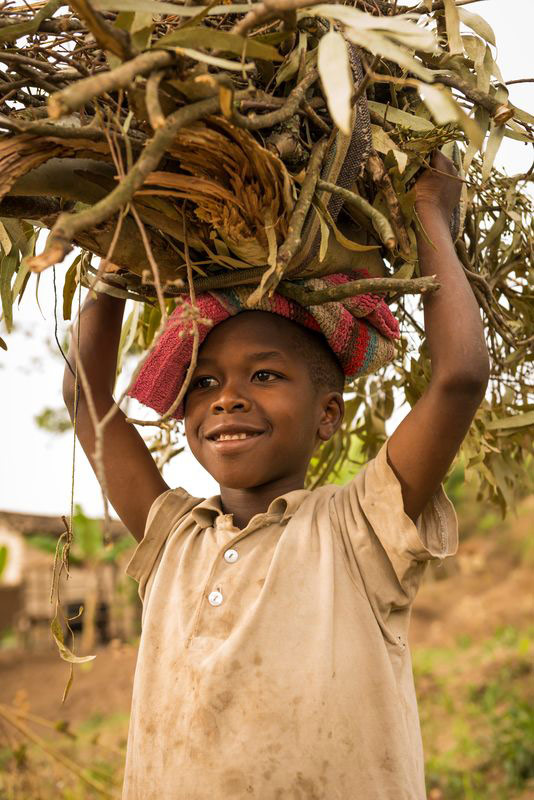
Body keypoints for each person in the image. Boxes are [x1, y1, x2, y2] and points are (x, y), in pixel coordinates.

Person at [63, 152, 489, 799]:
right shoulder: (174, 541)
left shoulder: (359, 531)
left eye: (263, 375)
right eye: (203, 383)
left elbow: (459, 377)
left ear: (328, 415)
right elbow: (84, 393)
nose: (226, 398)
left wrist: (431, 211)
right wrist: (121, 248)